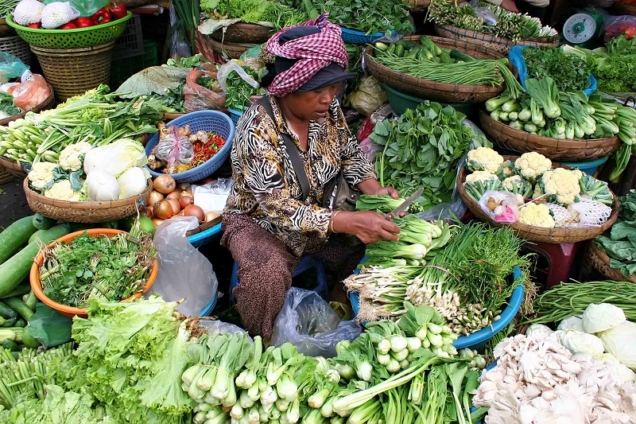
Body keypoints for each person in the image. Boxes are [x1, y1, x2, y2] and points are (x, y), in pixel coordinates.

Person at [222, 15, 402, 339]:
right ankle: (261, 341)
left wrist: (374, 192)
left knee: (373, 245)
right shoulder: (257, 129)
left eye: (334, 87)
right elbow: (277, 207)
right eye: (318, 89)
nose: (329, 97)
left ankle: (337, 302)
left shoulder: (326, 111)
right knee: (266, 277)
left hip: (318, 213)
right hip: (261, 223)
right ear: (289, 86)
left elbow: (349, 154)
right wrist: (347, 221)